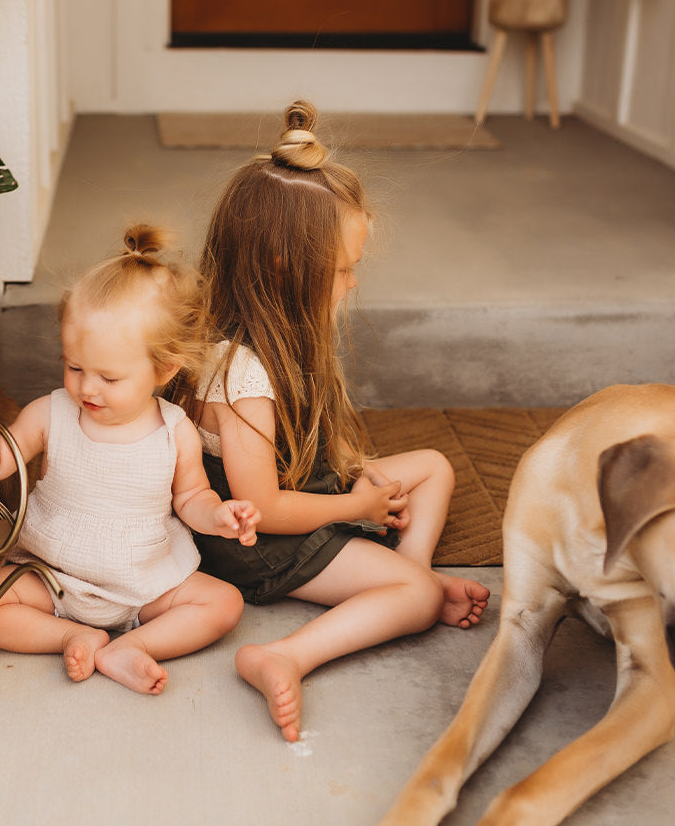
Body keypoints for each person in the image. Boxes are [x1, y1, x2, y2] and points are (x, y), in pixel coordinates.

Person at [172, 101, 490, 742]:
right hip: (256, 544)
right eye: (343, 271)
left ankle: (410, 571)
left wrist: (352, 478)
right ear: (290, 270)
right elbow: (260, 506)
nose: (350, 285)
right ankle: (286, 655)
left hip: (307, 496)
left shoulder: (284, 333)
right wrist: (354, 508)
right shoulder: (238, 371)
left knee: (431, 468)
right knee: (420, 601)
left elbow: (308, 450)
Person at [0, 225, 259, 696]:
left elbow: (191, 496)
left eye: (109, 377)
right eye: (74, 367)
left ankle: (134, 646)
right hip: (49, 573)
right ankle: (70, 634)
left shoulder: (174, 430)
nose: (87, 388)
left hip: (144, 583)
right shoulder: (51, 412)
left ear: (164, 370)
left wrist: (219, 515)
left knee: (223, 604)